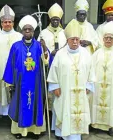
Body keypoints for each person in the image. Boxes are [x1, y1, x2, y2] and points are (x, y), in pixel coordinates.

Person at [47, 19, 95, 140]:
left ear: (79, 40)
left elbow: (91, 71)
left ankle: (76, 136)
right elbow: (54, 72)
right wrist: (55, 86)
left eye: (77, 39)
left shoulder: (85, 54)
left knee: (78, 114)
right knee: (64, 111)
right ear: (67, 40)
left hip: (81, 93)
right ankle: (61, 134)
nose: (74, 42)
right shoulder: (60, 54)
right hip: (64, 91)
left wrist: (89, 86)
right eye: (72, 39)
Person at [3, 15, 49, 139]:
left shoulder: (39, 46)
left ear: (34, 31)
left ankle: (35, 131)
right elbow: (10, 65)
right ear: (22, 31)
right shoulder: (16, 46)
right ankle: (20, 131)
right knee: (20, 105)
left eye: (30, 30)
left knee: (35, 104)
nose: (27, 32)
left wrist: (45, 47)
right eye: (25, 30)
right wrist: (10, 83)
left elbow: (46, 61)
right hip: (20, 83)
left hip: (36, 83)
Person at [38, 3, 66, 138]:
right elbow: (39, 51)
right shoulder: (43, 33)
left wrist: (60, 52)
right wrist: (49, 52)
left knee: (59, 96)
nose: (55, 21)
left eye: (58, 19)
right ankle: (46, 121)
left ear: (60, 20)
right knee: (45, 96)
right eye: (53, 19)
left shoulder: (65, 33)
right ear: (50, 20)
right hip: (47, 68)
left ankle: (58, 123)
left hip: (61, 70)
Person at [0, 5, 23, 116]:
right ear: (1, 23)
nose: (7, 24)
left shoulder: (19, 36)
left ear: (13, 23)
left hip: (16, 71)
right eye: (5, 22)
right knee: (2, 94)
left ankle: (13, 115)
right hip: (1, 70)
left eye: (9, 22)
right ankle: (2, 114)